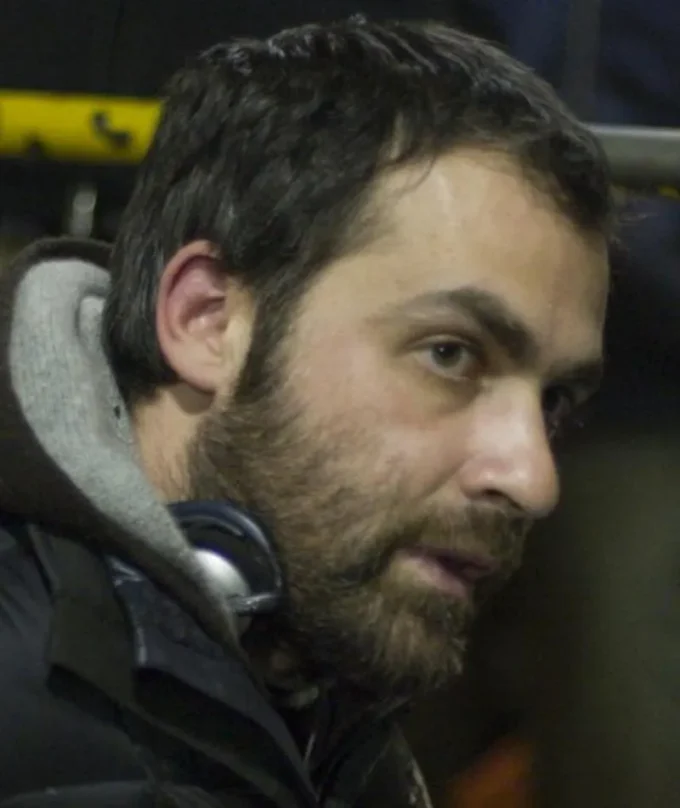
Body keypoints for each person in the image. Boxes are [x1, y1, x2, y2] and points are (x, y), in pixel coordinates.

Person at [0, 15, 613, 808]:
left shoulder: (315, 667)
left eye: (554, 399)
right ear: (207, 320)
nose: (533, 477)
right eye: (450, 354)